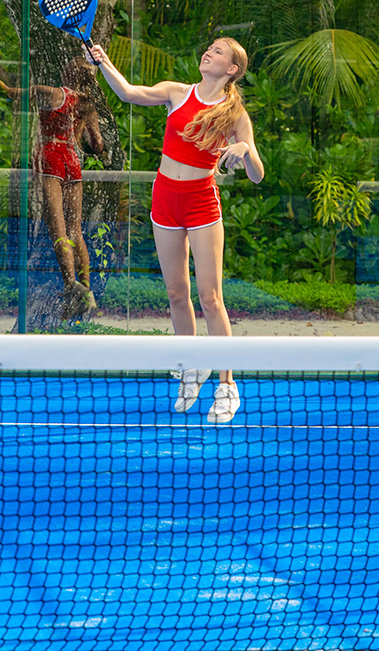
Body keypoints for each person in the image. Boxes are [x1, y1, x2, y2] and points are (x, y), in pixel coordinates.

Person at [86, 36, 264, 423]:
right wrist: (102, 62)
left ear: (232, 69)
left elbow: (257, 176)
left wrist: (246, 151)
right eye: (210, 47)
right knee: (176, 293)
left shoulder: (234, 114)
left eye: (218, 51)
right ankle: (192, 366)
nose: (208, 52)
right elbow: (131, 93)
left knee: (210, 296)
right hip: (165, 198)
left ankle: (227, 385)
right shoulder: (178, 93)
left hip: (202, 202)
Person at [0, 57, 104, 318]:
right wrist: (82, 131)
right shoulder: (87, 104)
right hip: (73, 160)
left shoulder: (49, 93)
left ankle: (70, 287)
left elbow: (12, 94)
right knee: (75, 230)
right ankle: (87, 289)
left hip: (51, 157)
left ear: (67, 73)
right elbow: (97, 144)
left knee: (58, 229)